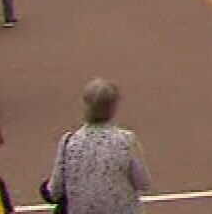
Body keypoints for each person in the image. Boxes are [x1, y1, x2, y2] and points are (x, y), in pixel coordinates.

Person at [45, 78, 152, 214]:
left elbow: (54, 191)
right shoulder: (126, 140)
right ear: (114, 107)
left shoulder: (69, 142)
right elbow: (143, 183)